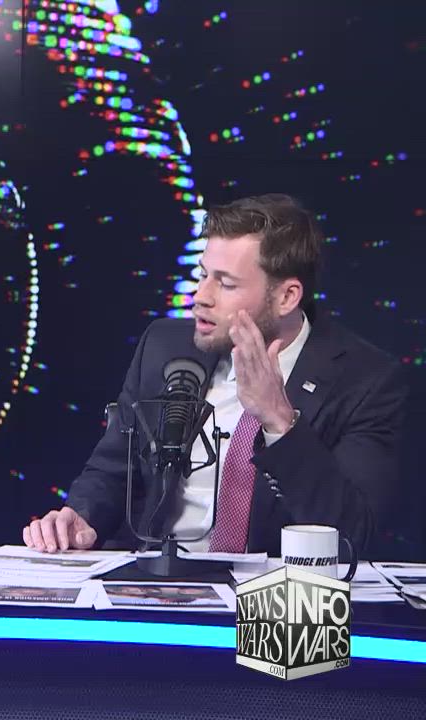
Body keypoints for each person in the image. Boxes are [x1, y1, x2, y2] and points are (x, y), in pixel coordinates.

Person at [22, 194, 407, 556]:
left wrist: (280, 422)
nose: (201, 296)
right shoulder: (164, 346)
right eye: (203, 274)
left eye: (225, 283)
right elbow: (113, 469)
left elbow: (352, 534)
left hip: (273, 595)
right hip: (158, 578)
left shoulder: (367, 381)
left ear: (287, 297)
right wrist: (82, 516)